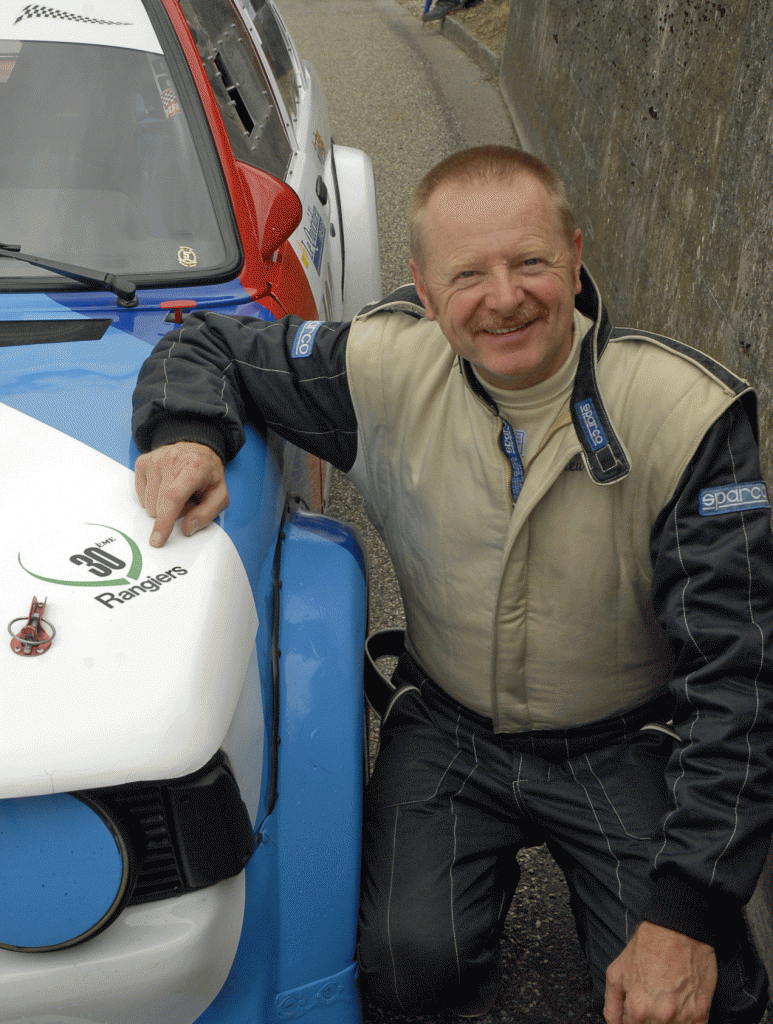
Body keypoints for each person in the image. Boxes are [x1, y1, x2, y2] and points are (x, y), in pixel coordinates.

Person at [131, 146, 773, 1024]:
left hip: (625, 738)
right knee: (403, 966)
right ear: (424, 292)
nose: (503, 297)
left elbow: (739, 678)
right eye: (467, 274)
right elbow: (204, 341)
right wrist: (187, 433)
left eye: (531, 262)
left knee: (702, 1000)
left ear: (576, 257)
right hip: (450, 727)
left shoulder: (685, 415)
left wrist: (688, 915)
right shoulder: (382, 366)